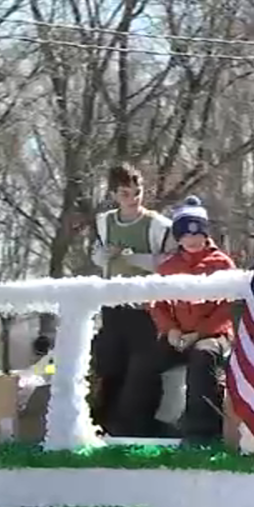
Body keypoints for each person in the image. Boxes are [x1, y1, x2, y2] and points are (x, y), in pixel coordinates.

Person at [119, 197, 236, 441]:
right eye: (185, 234)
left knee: (203, 358)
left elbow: (227, 308)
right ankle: (137, 428)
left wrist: (200, 333)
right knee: (143, 361)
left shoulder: (222, 264)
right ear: (178, 237)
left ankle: (202, 432)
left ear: (205, 234)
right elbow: (157, 303)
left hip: (212, 335)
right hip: (178, 335)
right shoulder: (168, 266)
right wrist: (170, 330)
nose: (191, 239)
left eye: (197, 233)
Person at [90, 163, 175, 434]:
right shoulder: (105, 222)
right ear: (114, 194)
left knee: (141, 369)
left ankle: (137, 425)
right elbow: (97, 254)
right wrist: (104, 256)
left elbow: (169, 262)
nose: (133, 198)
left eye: (137, 192)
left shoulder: (158, 225)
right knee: (111, 364)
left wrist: (132, 257)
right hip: (114, 305)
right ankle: (106, 423)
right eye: (125, 193)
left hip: (145, 307)